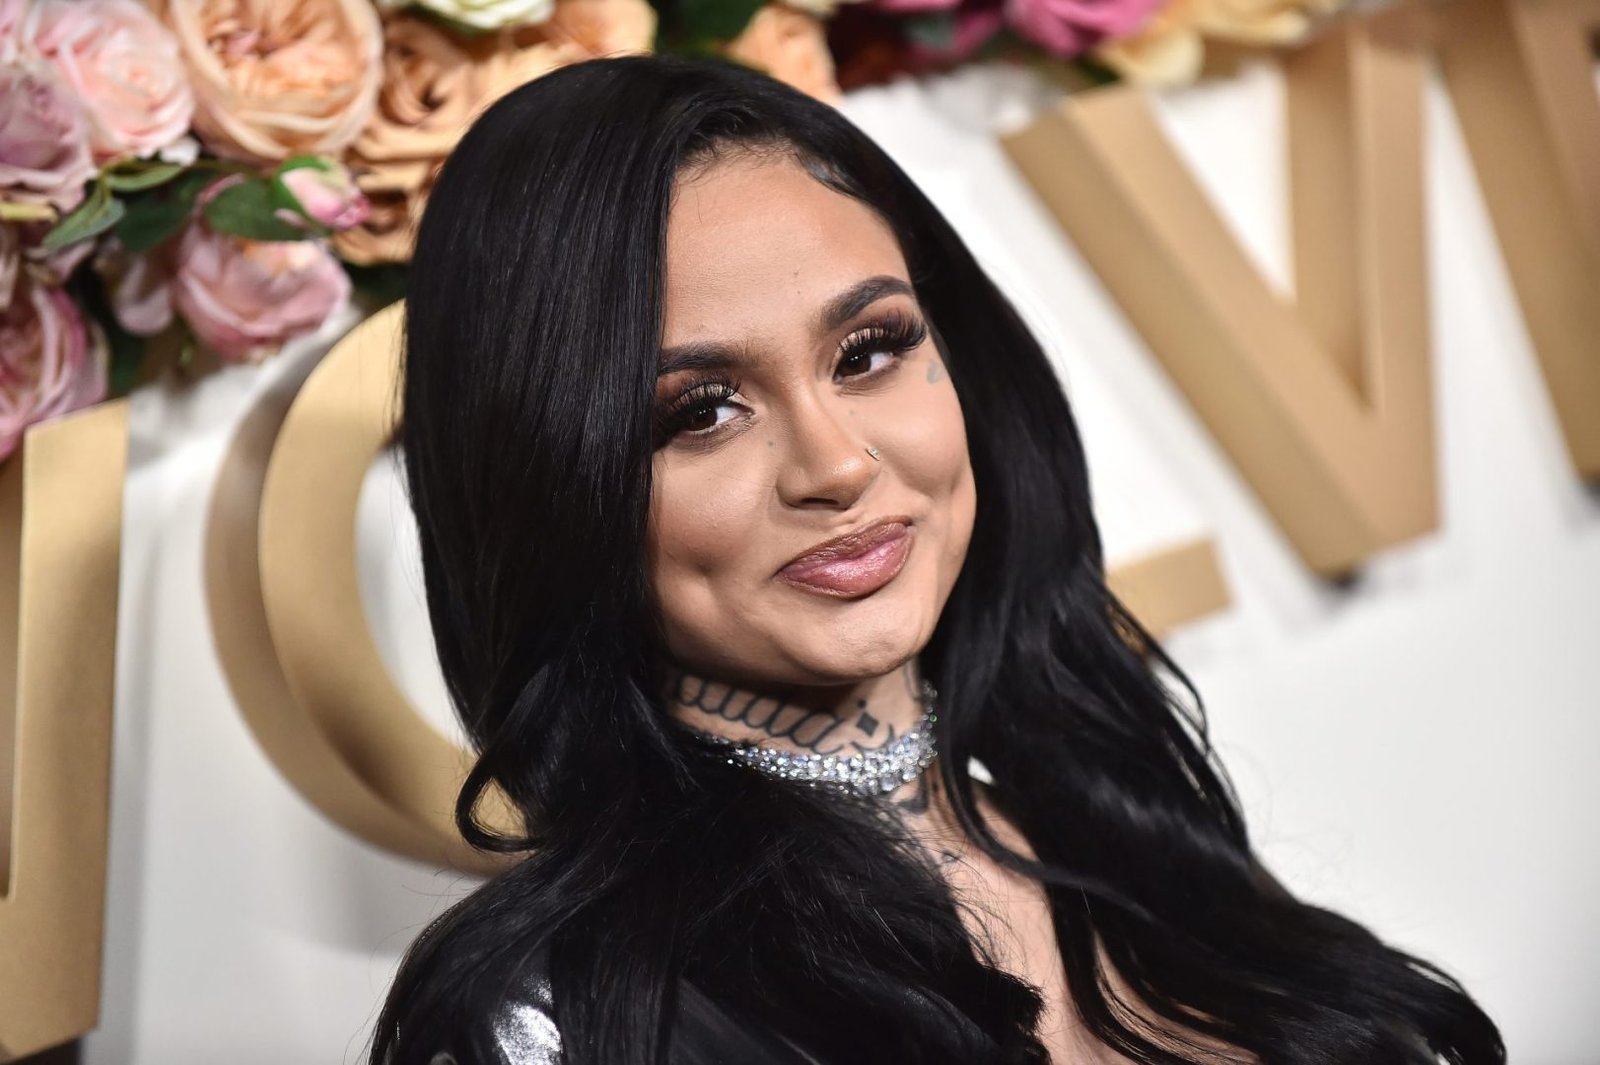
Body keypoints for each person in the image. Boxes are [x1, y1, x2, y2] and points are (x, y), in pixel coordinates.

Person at [366, 52, 1504, 1065]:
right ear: (548, 492)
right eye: (700, 411)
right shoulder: (551, 1023)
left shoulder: (1148, 851)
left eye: (867, 351)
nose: (836, 464)